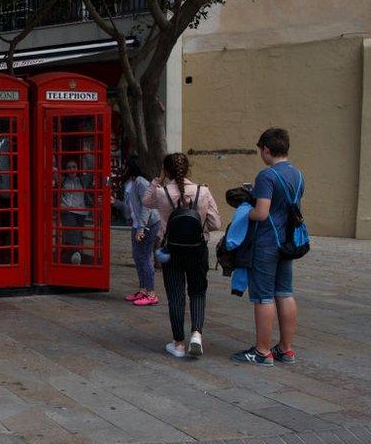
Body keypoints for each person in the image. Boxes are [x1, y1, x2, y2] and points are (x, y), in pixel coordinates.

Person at [231, 128, 303, 366]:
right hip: (289, 241)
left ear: (266, 149)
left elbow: (262, 213)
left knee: (263, 297)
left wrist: (243, 212)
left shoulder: (267, 176)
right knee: (285, 292)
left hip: (266, 243)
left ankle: (262, 352)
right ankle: (285, 349)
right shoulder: (297, 174)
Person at [143, 153, 221, 359]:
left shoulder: (161, 193)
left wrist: (158, 179)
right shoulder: (203, 191)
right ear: (187, 169)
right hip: (197, 249)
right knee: (197, 292)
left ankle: (178, 344)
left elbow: (145, 201)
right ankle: (196, 334)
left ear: (166, 171)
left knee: (175, 296)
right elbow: (216, 224)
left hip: (172, 250)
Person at [121, 156, 161, 306]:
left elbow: (147, 206)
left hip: (148, 224)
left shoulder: (141, 182)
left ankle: (151, 293)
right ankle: (143, 290)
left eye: (125, 165)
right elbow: (130, 205)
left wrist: (141, 227)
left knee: (144, 257)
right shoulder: (129, 182)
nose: (123, 167)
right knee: (137, 257)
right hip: (137, 224)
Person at [60, 159, 89, 264]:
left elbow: (92, 168)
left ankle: (69, 257)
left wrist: (87, 153)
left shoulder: (82, 180)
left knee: (76, 236)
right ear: (65, 170)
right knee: (73, 234)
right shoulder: (62, 180)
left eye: (74, 167)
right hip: (67, 211)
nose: (72, 169)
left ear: (77, 169)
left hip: (81, 212)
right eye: (69, 167)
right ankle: (75, 256)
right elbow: (51, 169)